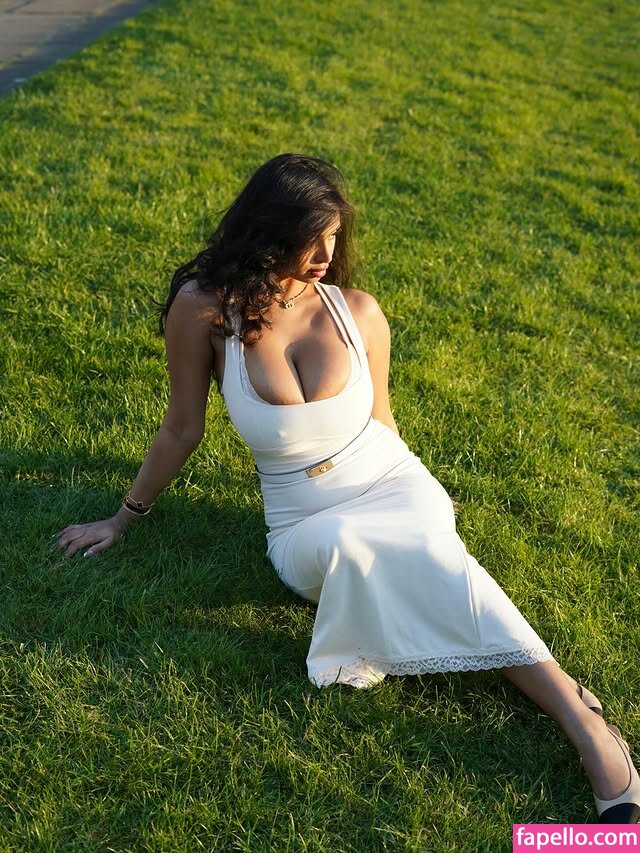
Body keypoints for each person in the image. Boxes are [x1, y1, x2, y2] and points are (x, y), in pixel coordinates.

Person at [54, 153, 639, 824]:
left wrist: (427, 494)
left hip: (390, 482)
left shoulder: (357, 311)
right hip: (306, 524)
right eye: (308, 240)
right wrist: (123, 517)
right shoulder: (206, 310)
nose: (325, 256)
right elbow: (181, 427)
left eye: (333, 237)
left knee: (424, 544)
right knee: (356, 546)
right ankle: (574, 703)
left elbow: (382, 422)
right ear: (266, 232)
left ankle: (584, 727)